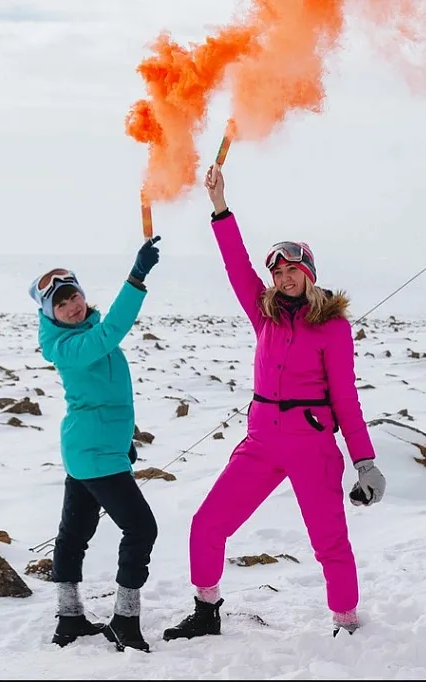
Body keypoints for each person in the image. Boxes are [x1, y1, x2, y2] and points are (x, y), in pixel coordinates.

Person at [162, 165, 387, 641]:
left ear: (308, 274)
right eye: (278, 272)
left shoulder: (332, 326)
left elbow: (345, 396)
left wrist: (364, 462)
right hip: (261, 441)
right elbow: (235, 265)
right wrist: (220, 206)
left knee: (329, 541)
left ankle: (346, 623)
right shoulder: (262, 315)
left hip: (311, 443)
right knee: (207, 524)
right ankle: (206, 611)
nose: (284, 278)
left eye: (293, 270)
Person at [29, 235, 163, 653]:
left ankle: (69, 619)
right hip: (92, 453)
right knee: (141, 527)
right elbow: (113, 330)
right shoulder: (69, 346)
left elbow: (110, 396)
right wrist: (136, 276)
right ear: (50, 314)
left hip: (92, 450)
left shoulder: (85, 334)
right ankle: (125, 618)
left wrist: (124, 444)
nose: (72, 306)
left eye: (74, 297)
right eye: (61, 304)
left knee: (74, 534)